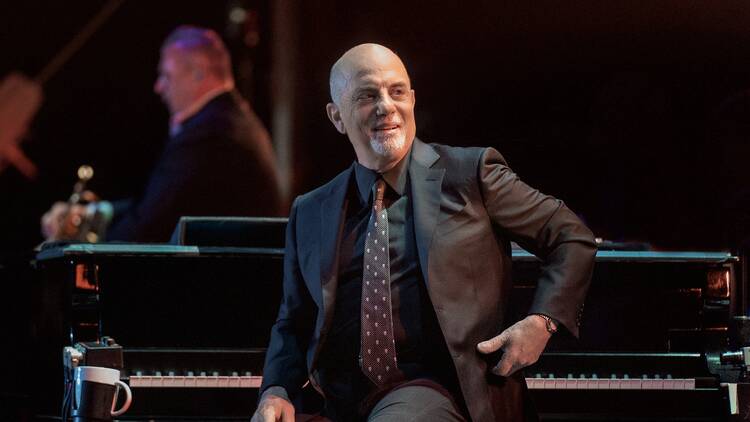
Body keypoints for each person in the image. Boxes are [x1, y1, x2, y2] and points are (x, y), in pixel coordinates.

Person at [252, 43, 596, 422]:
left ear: (412, 100)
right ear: (337, 117)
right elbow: (294, 320)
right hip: (339, 401)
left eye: (397, 91)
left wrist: (542, 322)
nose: (386, 106)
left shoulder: (471, 175)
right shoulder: (311, 209)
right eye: (367, 96)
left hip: (437, 391)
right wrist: (276, 390)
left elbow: (570, 237)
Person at [40, 25, 284, 243]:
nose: (159, 87)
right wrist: (90, 215)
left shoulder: (212, 134)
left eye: (166, 75)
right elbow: (156, 204)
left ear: (198, 73)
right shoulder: (226, 121)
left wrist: (75, 244)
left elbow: (145, 229)